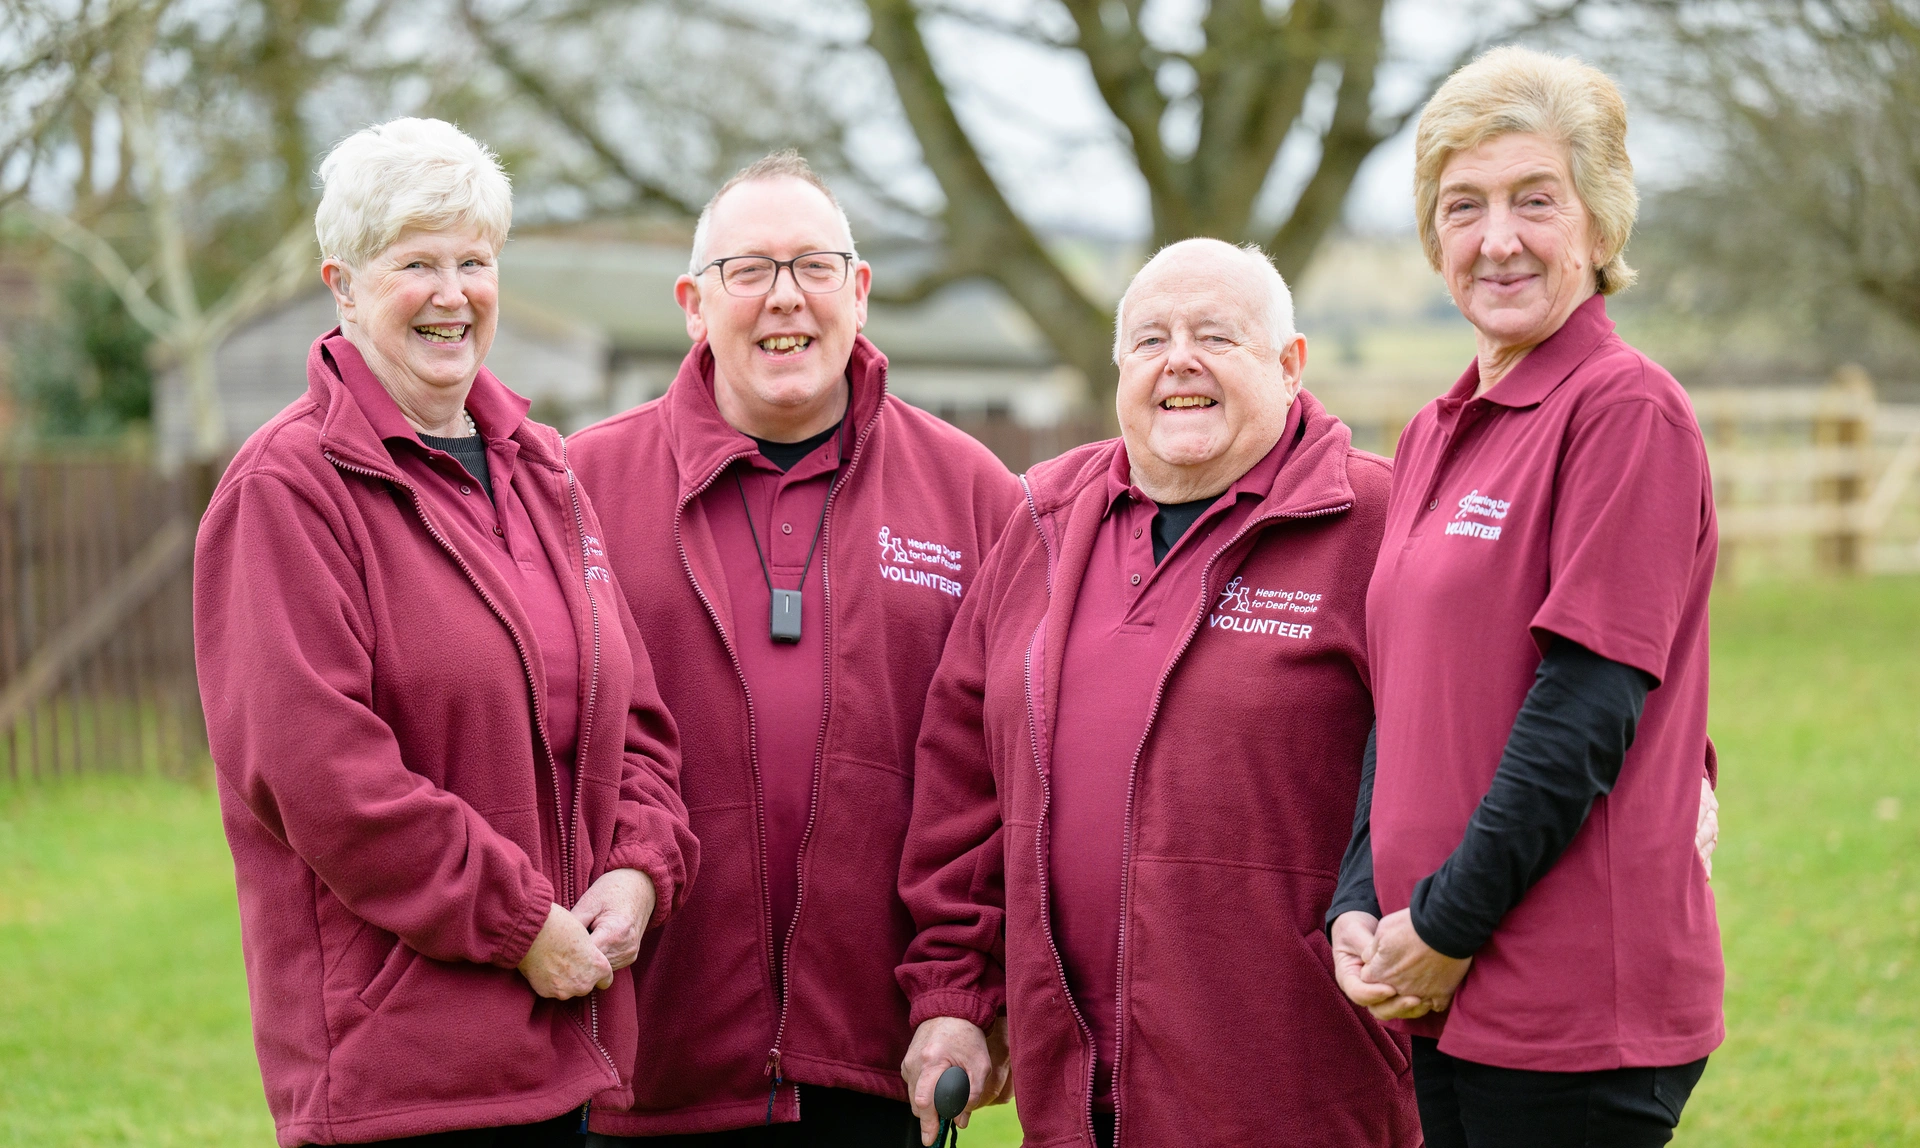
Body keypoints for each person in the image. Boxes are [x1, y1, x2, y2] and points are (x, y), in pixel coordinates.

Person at [194, 118, 697, 1147]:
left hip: (563, 1049)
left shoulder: (542, 471)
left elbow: (632, 714)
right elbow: (323, 776)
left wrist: (640, 869)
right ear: (341, 284)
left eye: (474, 260)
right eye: (415, 262)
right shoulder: (289, 490)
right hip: (401, 1075)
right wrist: (519, 924)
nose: (453, 291)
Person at [897, 238, 1422, 1147]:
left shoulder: (1379, 519)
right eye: (1149, 340)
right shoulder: (1043, 523)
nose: (1179, 359)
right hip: (1074, 1098)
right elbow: (963, 788)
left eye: (1216, 336)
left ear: (1290, 364)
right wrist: (953, 994)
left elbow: (1509, 687)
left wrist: (1681, 764)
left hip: (1300, 1089)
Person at [567, 152, 1022, 1145]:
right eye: (749, 271)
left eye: (815, 267)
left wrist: (965, 989)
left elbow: (1002, 781)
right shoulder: (577, 489)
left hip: (876, 1057)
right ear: (694, 303)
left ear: (858, 292)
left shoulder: (975, 495)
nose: (786, 298)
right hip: (639, 1051)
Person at [1330, 47, 1724, 1148]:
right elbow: (1399, 700)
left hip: (1571, 1010)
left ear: (1600, 225)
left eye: (1533, 201)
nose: (1496, 238)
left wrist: (1446, 921)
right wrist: (1358, 895)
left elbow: (1588, 703)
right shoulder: (1434, 430)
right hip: (1435, 986)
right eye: (1464, 205)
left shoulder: (1625, 412)